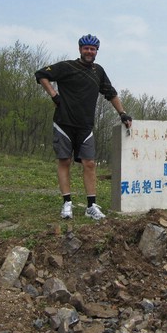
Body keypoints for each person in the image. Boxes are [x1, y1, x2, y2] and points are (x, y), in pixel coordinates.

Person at [34, 34, 132, 220]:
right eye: (86, 48)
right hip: (63, 122)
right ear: (80, 49)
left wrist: (122, 113)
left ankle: (91, 206)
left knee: (90, 163)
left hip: (85, 125)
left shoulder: (98, 71)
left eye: (92, 49)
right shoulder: (67, 66)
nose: (89, 51)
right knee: (65, 161)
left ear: (96, 52)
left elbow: (110, 93)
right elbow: (41, 75)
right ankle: (67, 203)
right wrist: (54, 95)